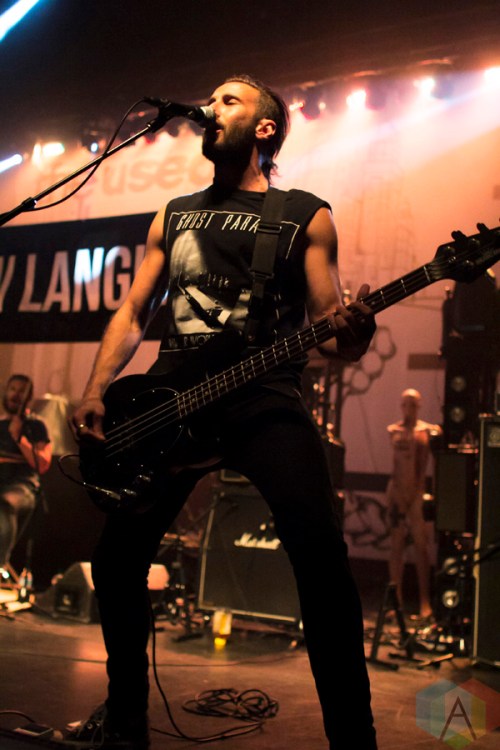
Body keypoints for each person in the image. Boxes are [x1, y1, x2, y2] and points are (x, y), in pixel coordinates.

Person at [68, 75, 377, 750]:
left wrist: (356, 332)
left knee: (320, 558)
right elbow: (134, 311)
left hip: (264, 399)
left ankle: (355, 740)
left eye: (229, 100)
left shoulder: (305, 215)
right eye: (211, 99)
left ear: (265, 128)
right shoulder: (174, 215)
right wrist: (95, 390)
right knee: (117, 562)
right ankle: (125, 724)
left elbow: (331, 327)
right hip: (169, 404)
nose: (211, 107)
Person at [386, 388, 442, 619]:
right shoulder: (394, 430)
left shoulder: (426, 431)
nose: (408, 408)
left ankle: (424, 601)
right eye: (405, 404)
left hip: (417, 492)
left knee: (421, 546)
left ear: (418, 406)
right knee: (396, 546)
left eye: (413, 404)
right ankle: (396, 602)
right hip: (398, 491)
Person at [0, 374, 52, 584]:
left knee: (5, 502)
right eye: (13, 389)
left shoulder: (36, 425)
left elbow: (43, 463)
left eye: (21, 391)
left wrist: (18, 438)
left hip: (23, 485)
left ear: (29, 397)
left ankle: (0, 564)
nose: (16, 395)